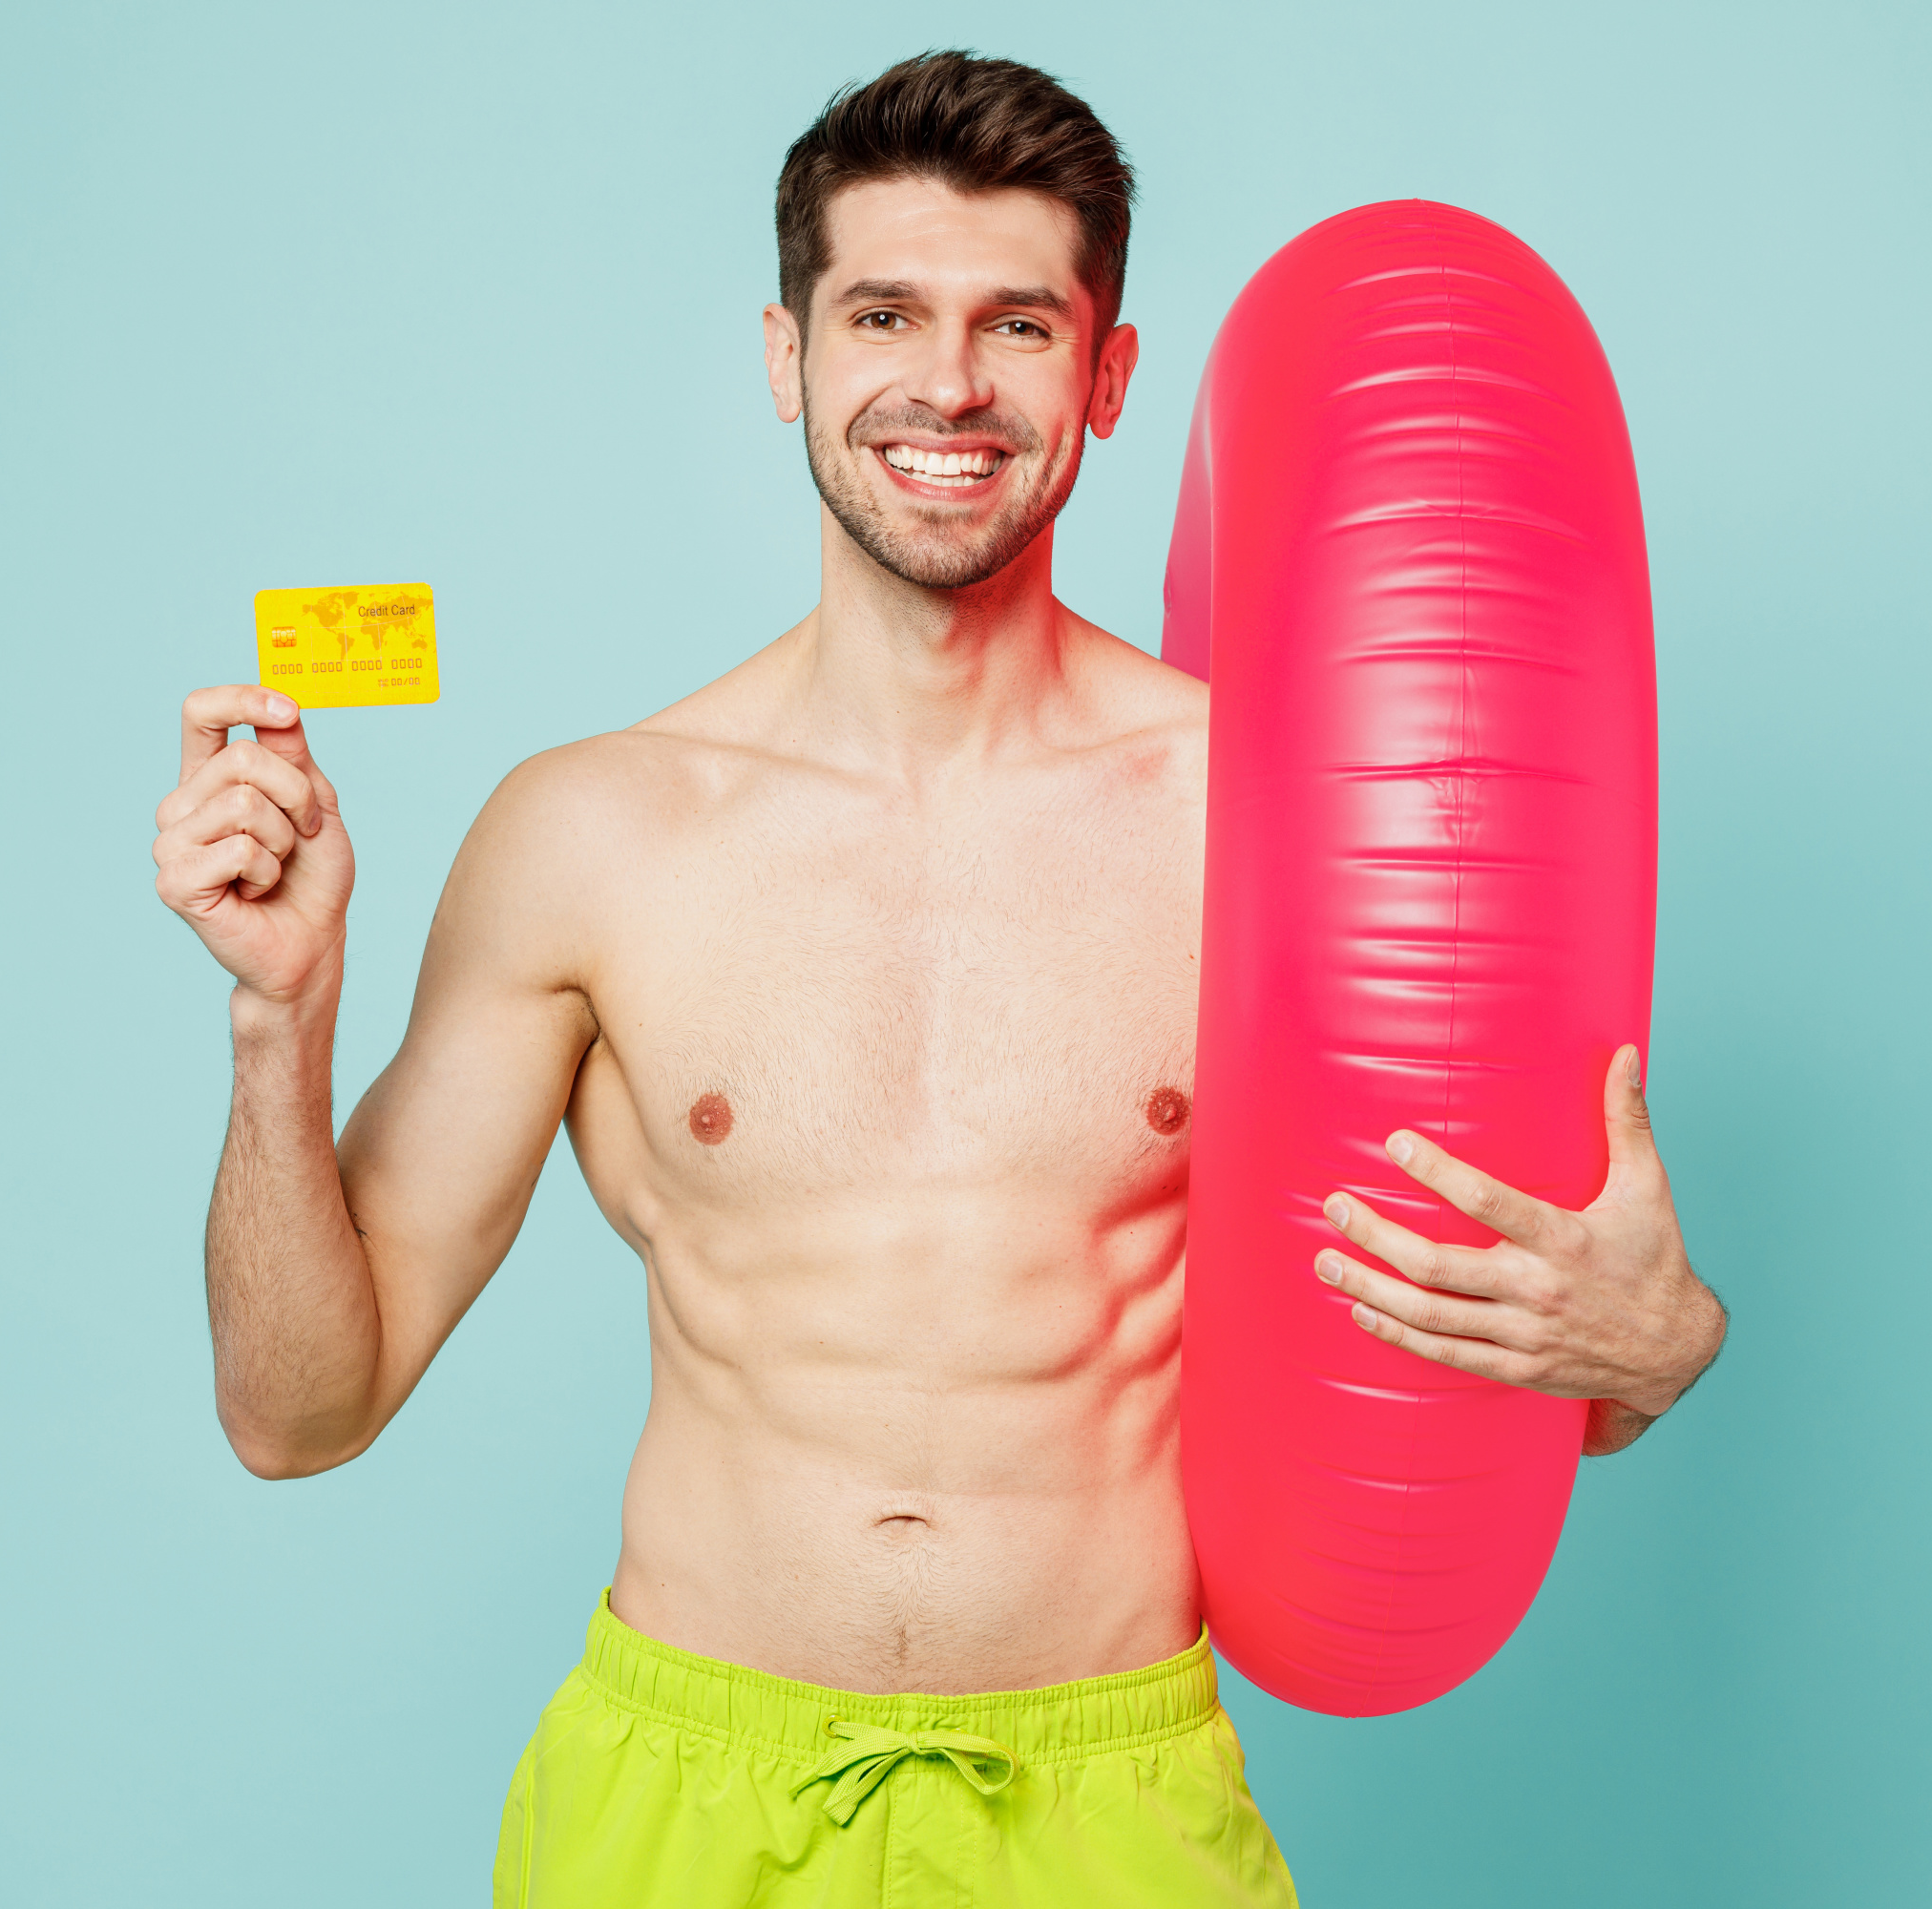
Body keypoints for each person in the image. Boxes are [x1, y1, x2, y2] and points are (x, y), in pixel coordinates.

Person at [150, 51, 1726, 1909]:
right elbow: (297, 1413)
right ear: (785, 355)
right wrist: (280, 1016)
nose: (950, 385)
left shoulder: (1271, 819)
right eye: (883, 311)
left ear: (1109, 378)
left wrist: (1658, 1350)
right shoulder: (592, 833)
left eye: (1021, 325)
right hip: (680, 1798)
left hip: (1108, 1798)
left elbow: (1484, 1335)